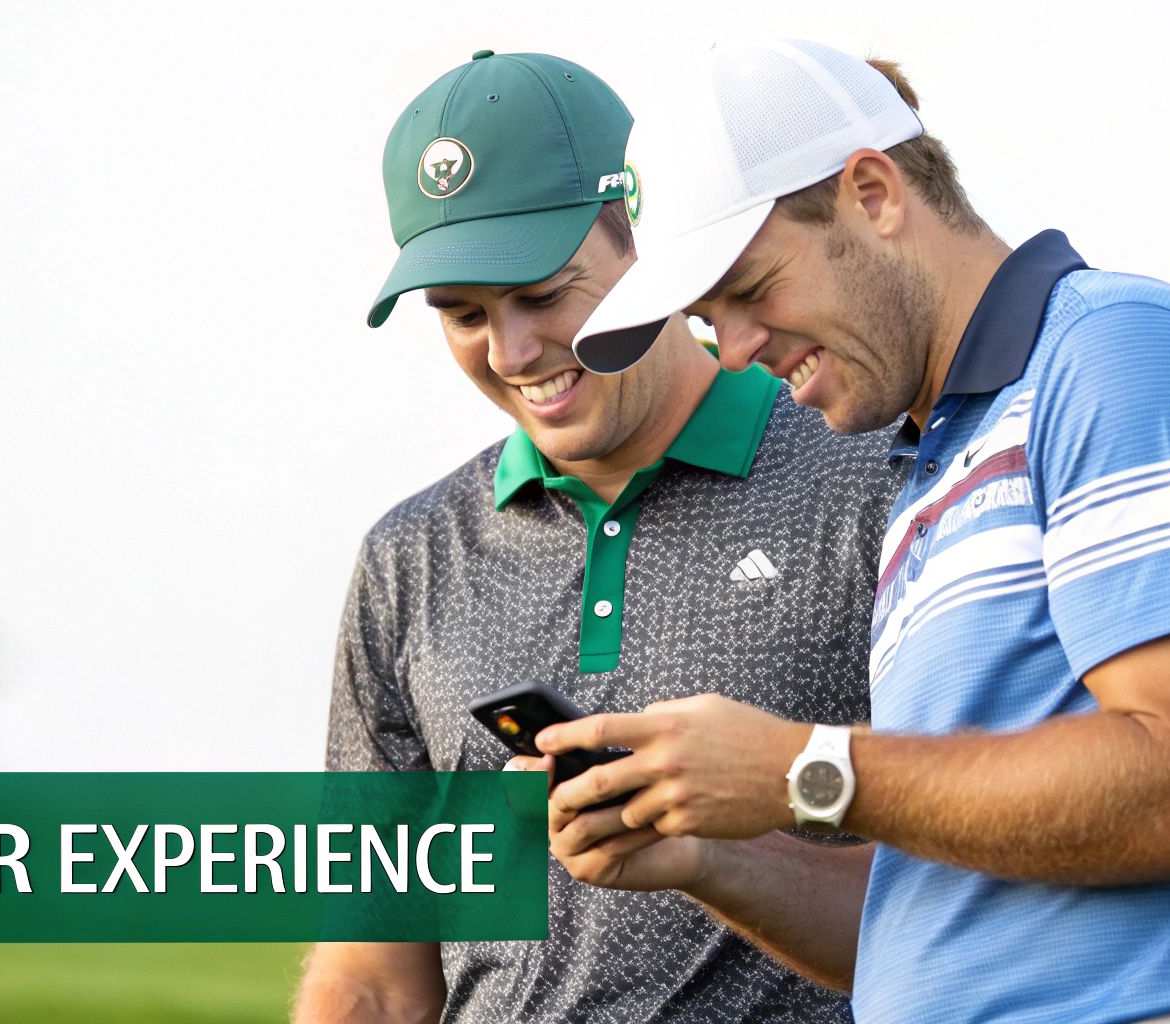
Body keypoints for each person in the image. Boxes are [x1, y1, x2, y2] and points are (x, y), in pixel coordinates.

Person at [535, 37, 1170, 1024]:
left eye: (748, 291)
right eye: (709, 323)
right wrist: (709, 850)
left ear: (872, 193)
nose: (737, 350)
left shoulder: (1116, 353)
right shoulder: (926, 481)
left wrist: (798, 765)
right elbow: (926, 915)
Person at [294, 48, 902, 1023]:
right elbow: (372, 964)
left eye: (542, 293)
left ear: (649, 248)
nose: (511, 352)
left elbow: (977, 881)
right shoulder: (405, 561)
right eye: (461, 314)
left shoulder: (874, 474)